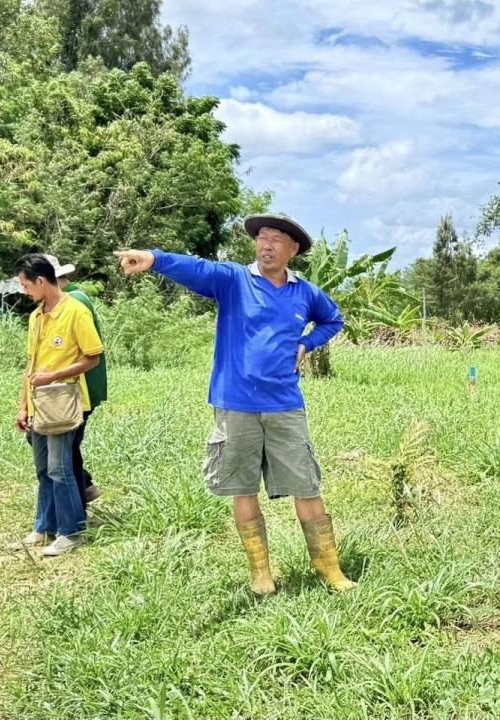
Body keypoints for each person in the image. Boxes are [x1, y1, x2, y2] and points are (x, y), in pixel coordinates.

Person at [113, 213, 356, 594]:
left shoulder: (304, 293)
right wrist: (155, 258)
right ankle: (261, 573)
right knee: (243, 488)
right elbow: (198, 269)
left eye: (277, 239)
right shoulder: (233, 280)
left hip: (285, 405)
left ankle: (329, 568)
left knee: (306, 485)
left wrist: (306, 344)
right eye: (262, 237)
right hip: (234, 403)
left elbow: (333, 320)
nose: (267, 244)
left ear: (292, 250)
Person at [14, 254, 104, 557]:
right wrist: (22, 406)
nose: (24, 291)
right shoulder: (36, 316)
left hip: (64, 402)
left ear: (41, 281)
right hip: (39, 403)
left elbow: (93, 356)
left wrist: (55, 375)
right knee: (42, 467)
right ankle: (44, 526)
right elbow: (31, 364)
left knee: (60, 467)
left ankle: (71, 531)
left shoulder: (75, 311)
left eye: (26, 285)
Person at [44, 255, 106, 506]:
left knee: (66, 445)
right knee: (67, 444)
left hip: (80, 387)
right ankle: (85, 487)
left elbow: (89, 353)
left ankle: (81, 493)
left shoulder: (75, 301)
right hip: (70, 385)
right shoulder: (64, 301)